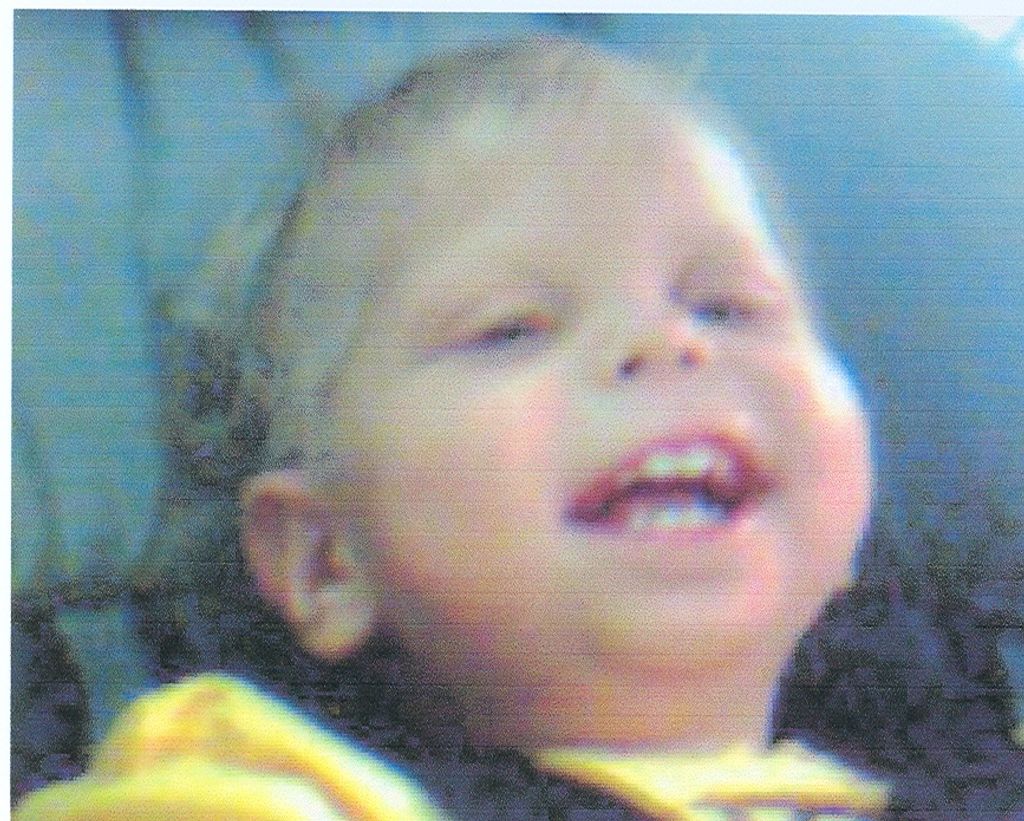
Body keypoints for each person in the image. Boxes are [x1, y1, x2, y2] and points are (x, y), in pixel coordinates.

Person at [14, 36, 890, 820]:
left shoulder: (943, 748)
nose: (665, 341)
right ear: (326, 557)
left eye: (728, 306)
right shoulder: (279, 790)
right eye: (512, 328)